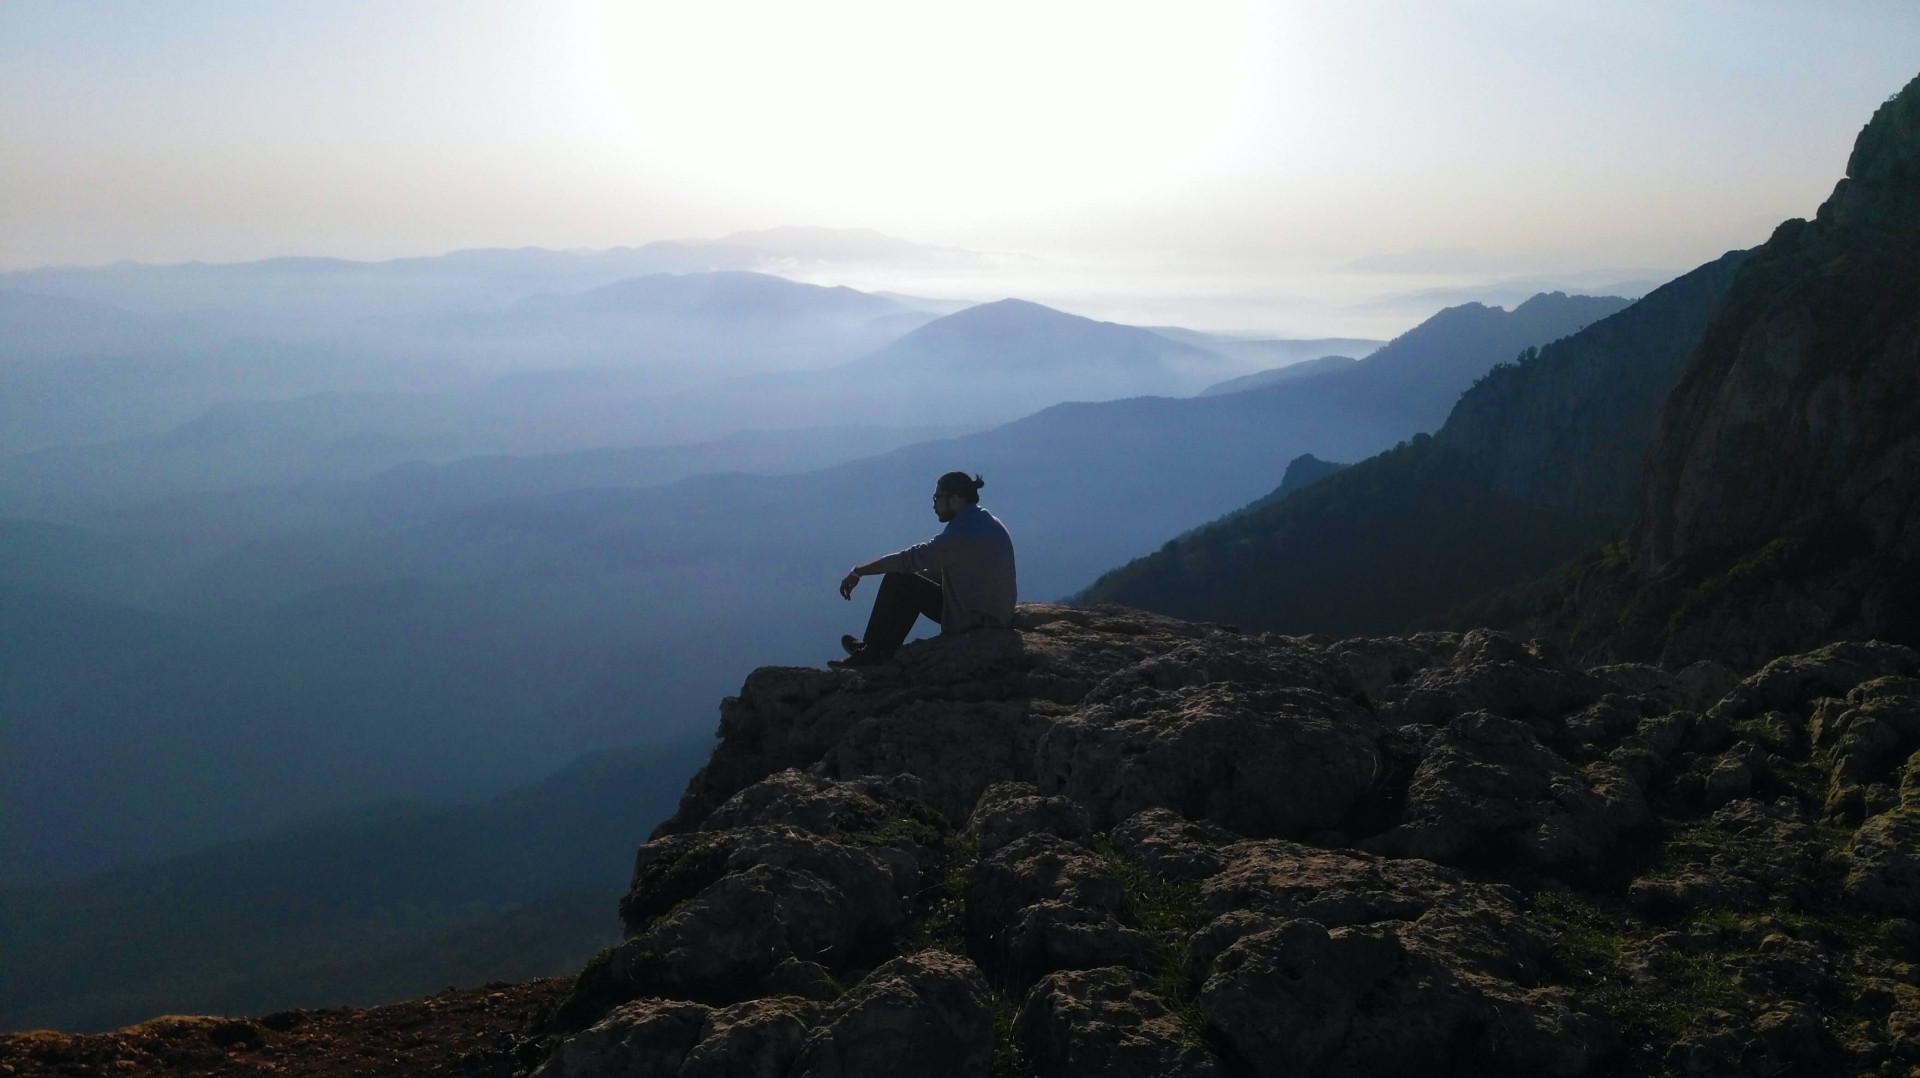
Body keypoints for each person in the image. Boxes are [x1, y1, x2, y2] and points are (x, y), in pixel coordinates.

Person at [834, 471, 1016, 667]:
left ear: (955, 499)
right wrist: (918, 577)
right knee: (911, 580)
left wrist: (859, 571)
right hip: (994, 612)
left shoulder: (960, 534)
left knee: (898, 580)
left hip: (976, 621)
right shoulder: (985, 521)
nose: (934, 504)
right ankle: (876, 648)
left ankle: (872, 654)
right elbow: (957, 568)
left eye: (937, 497)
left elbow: (908, 559)